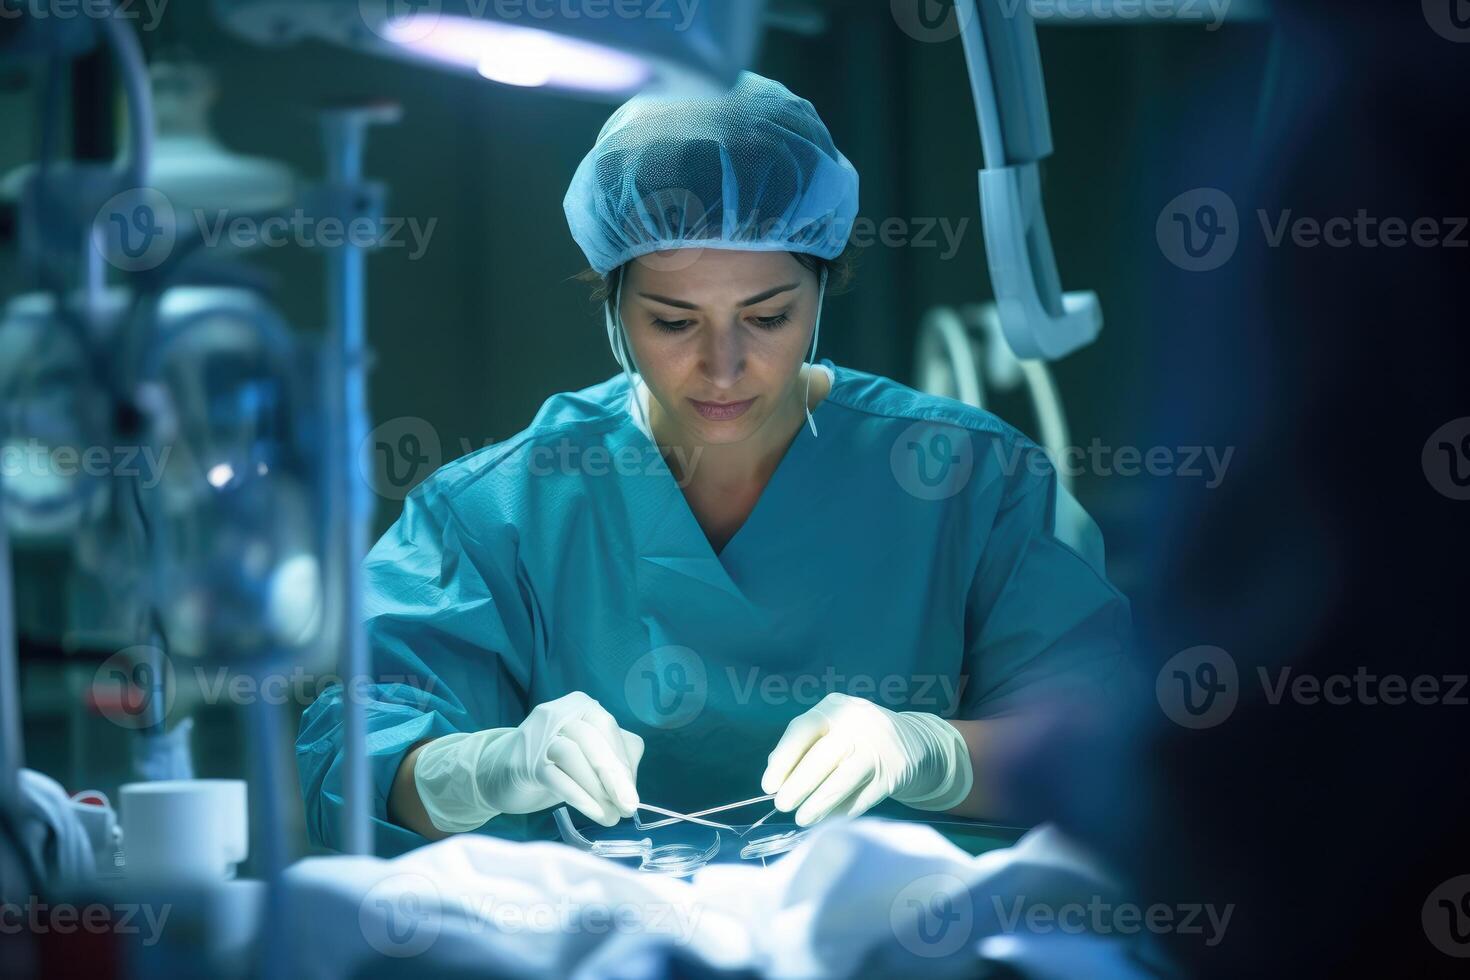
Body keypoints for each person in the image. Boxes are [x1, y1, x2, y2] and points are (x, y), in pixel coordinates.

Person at [296, 72, 1130, 852]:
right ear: (613, 304)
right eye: (673, 321)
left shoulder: (968, 481)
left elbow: (1106, 750)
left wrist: (929, 754)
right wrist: (481, 770)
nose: (723, 367)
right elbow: (350, 758)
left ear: (823, 288)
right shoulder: (500, 510)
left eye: (766, 318)